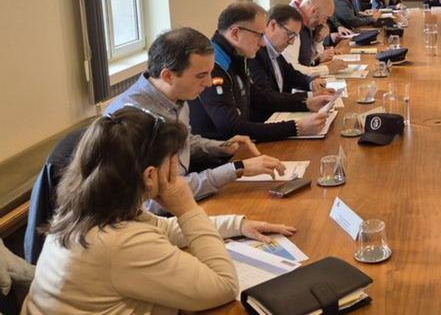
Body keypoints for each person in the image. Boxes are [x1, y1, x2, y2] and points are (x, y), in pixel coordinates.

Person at [21, 107, 296, 314]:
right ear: (150, 175)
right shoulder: (120, 243)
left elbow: (164, 227)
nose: (175, 169)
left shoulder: (89, 208)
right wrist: (186, 206)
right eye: (172, 161)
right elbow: (224, 287)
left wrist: (237, 224)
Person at [106, 28, 287, 211]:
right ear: (168, 76)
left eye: (209, 73)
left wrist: (221, 147)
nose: (209, 83)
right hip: (153, 216)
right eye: (201, 76)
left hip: (182, 200)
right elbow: (157, 198)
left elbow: (184, 141)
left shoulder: (177, 96)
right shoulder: (133, 119)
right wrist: (236, 169)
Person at [189, 2, 331, 142]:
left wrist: (306, 103)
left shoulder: (237, 55)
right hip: (220, 156)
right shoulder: (214, 65)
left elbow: (258, 96)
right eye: (259, 35)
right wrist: (296, 127)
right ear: (235, 33)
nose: (263, 43)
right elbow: (231, 127)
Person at [250, 4, 332, 106]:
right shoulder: (255, 54)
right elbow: (268, 97)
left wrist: (311, 83)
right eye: (290, 35)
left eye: (295, 37)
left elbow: (291, 74)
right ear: (273, 25)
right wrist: (309, 98)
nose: (292, 42)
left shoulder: (275, 52)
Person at [283, 0, 346, 77]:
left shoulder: (307, 23)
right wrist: (327, 69)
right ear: (313, 11)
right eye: (325, 17)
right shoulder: (292, 23)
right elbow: (292, 69)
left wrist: (318, 41)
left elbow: (306, 60)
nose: (324, 22)